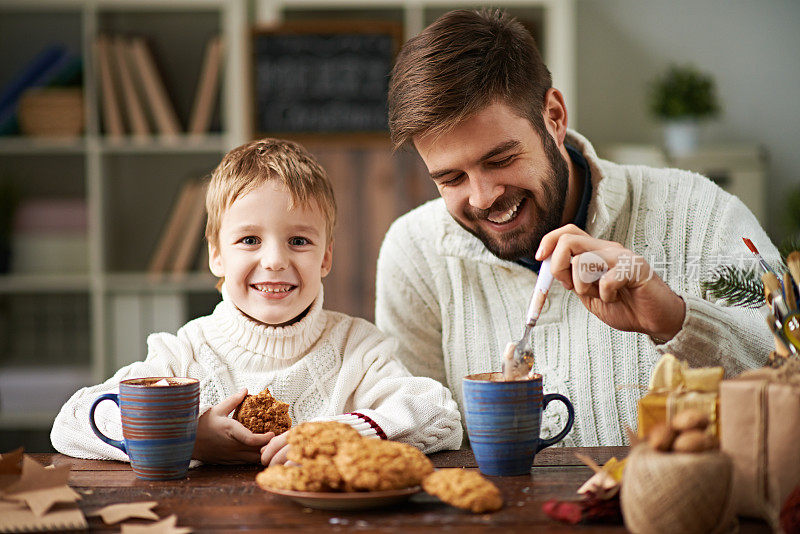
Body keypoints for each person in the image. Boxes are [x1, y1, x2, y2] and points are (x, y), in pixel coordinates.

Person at [376, 9, 779, 446]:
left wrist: (676, 321)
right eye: (451, 179)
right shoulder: (414, 253)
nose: (482, 197)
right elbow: (415, 441)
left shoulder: (700, 212)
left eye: (500, 160)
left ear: (553, 116)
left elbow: (785, 384)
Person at [52, 139, 462, 465]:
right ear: (216, 254)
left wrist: (338, 435)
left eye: (298, 241)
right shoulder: (186, 353)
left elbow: (439, 417)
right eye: (249, 240)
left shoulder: (358, 349)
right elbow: (72, 421)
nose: (275, 260)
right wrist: (186, 437)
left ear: (326, 257)